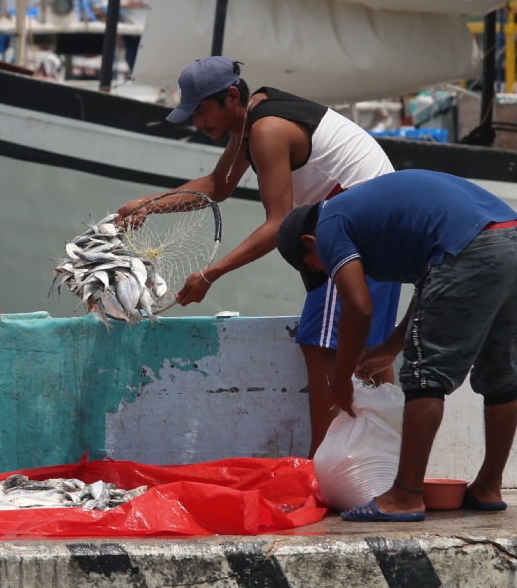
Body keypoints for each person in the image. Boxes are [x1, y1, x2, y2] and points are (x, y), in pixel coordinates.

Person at [117, 56, 400, 453]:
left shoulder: (266, 129)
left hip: (361, 229)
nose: (198, 124)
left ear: (232, 96)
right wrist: (151, 202)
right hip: (375, 226)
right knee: (368, 352)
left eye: (201, 111)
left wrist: (211, 274)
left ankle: (322, 467)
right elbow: (218, 184)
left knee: (320, 345)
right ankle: (385, 464)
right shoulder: (252, 118)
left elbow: (277, 224)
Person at [277, 169, 517, 522]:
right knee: (501, 374)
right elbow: (431, 281)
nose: (326, 275)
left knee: (423, 375)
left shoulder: (330, 225)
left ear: (310, 242)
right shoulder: (368, 217)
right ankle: (488, 487)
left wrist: (340, 380)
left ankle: (405, 496)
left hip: (471, 248)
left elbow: (358, 306)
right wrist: (391, 346)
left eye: (316, 268)